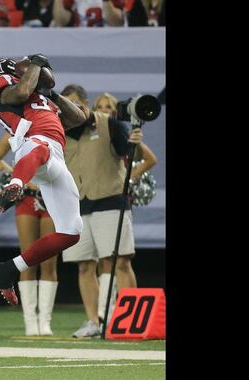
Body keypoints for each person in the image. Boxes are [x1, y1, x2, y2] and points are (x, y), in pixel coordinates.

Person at [0, 56, 86, 305]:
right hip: (32, 143)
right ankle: (15, 184)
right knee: (41, 148)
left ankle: (8, 268)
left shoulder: (41, 97)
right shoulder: (2, 89)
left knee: (72, 231)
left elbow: (79, 118)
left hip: (55, 158)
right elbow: (23, 89)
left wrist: (52, 93)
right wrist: (37, 64)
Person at [59, 84, 143, 338]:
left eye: (75, 104)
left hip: (110, 201)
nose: (70, 109)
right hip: (75, 206)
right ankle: (94, 321)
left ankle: (131, 320)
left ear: (85, 104)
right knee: (84, 266)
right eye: (66, 105)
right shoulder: (60, 129)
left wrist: (136, 143)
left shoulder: (110, 124)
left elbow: (130, 154)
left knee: (119, 262)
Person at [91, 91, 157, 324]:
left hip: (117, 201)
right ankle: (105, 315)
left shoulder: (121, 132)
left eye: (110, 106)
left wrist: (129, 180)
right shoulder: (93, 137)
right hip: (97, 201)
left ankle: (131, 317)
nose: (105, 110)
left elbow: (147, 158)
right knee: (104, 260)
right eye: (100, 106)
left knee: (122, 259)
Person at [0, 133, 58, 336]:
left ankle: (45, 322)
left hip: (51, 197)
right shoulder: (15, 134)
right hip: (26, 200)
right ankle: (30, 322)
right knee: (27, 258)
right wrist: (17, 178)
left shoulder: (53, 133)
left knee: (49, 262)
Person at [53, 0, 124, 27]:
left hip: (107, 41)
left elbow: (116, 23)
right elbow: (60, 22)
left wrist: (106, 1)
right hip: (80, 41)